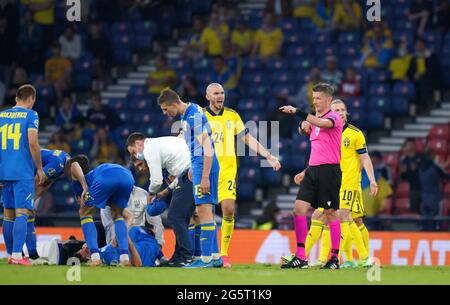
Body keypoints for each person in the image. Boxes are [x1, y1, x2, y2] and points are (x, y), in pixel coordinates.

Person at [204, 83, 281, 267]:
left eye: (222, 93)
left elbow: (248, 139)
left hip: (228, 172)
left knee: (229, 210)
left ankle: (223, 254)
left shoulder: (232, 115)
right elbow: (184, 139)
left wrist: (268, 155)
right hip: (205, 172)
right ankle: (205, 254)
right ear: (207, 96)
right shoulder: (200, 116)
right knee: (203, 214)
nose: (220, 96)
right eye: (216, 93)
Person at [302, 99, 377, 268]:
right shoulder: (327, 132)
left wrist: (372, 180)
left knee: (345, 217)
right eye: (337, 110)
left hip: (349, 184)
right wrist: (305, 172)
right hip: (330, 182)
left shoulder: (355, 133)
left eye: (343, 109)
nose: (341, 112)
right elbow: (321, 157)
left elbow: (364, 157)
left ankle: (363, 257)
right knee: (321, 216)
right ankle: (320, 258)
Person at [279, 83, 343, 269]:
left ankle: (334, 258)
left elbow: (321, 124)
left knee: (331, 213)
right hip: (312, 170)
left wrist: (298, 113)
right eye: (313, 98)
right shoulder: (315, 119)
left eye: (318, 98)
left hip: (330, 171)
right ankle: (301, 256)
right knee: (298, 209)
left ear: (328, 100)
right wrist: (302, 124)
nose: (315, 102)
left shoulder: (334, 117)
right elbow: (307, 129)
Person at [157, 88, 221, 268]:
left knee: (204, 212)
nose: (165, 113)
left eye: (165, 109)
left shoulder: (192, 117)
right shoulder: (189, 113)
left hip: (204, 165)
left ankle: (206, 260)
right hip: (198, 165)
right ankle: (214, 257)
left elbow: (208, 148)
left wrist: (205, 176)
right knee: (204, 211)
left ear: (172, 104)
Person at [126, 132, 196, 267]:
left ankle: (187, 256)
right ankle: (179, 256)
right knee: (180, 217)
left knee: (176, 216)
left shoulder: (150, 149)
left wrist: (150, 195)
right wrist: (165, 192)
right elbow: (174, 181)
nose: (136, 156)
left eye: (134, 152)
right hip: (187, 173)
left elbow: (157, 181)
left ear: (139, 144)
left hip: (189, 173)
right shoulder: (159, 149)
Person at [0, 84, 45, 265]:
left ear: (16, 97)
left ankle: (10, 253)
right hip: (22, 171)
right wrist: (40, 168)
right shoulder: (31, 115)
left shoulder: (1, 116)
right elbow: (33, 143)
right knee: (22, 213)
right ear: (31, 99)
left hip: (4, 171)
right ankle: (18, 256)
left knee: (8, 214)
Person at [65, 155, 134, 266]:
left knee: (84, 212)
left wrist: (84, 187)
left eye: (78, 200)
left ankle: (95, 257)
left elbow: (73, 164)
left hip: (106, 177)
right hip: (127, 177)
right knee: (117, 215)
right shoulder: (105, 194)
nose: (79, 202)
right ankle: (124, 258)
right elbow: (129, 215)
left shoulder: (78, 182)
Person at [25, 148, 71, 263]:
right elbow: (36, 180)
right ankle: (23, 254)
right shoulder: (59, 164)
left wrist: (33, 201)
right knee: (20, 214)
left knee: (25, 215)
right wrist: (28, 201)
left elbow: (46, 184)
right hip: (22, 170)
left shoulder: (64, 160)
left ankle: (27, 254)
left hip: (25, 167)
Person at [76, 225, 162, 267]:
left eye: (83, 248)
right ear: (89, 260)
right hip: (147, 249)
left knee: (131, 228)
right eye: (87, 251)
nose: (86, 247)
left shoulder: (102, 251)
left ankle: (161, 257)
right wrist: (128, 243)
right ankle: (161, 257)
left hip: (140, 241)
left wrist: (118, 238)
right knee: (133, 228)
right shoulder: (109, 258)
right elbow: (137, 264)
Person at [399, 138, 423, 213]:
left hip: (422, 187)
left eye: (410, 144)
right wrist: (402, 172)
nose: (409, 146)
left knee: (423, 210)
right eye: (407, 145)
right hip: (413, 189)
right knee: (415, 210)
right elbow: (403, 178)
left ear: (414, 145)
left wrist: (417, 168)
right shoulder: (404, 160)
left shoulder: (421, 157)